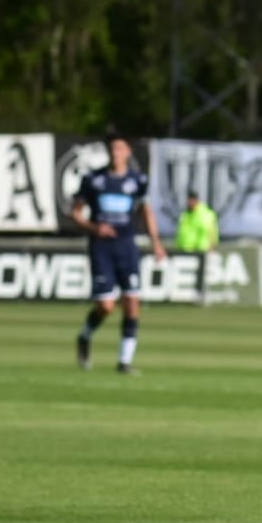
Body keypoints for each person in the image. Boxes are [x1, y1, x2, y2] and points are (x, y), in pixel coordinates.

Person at [71, 131, 166, 374]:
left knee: (132, 304)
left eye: (120, 149)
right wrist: (94, 227)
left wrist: (156, 242)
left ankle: (124, 362)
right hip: (101, 247)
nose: (116, 153)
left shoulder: (137, 181)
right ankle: (84, 336)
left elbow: (146, 211)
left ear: (128, 152)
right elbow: (75, 213)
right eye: (112, 149)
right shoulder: (94, 180)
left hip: (127, 247)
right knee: (106, 305)